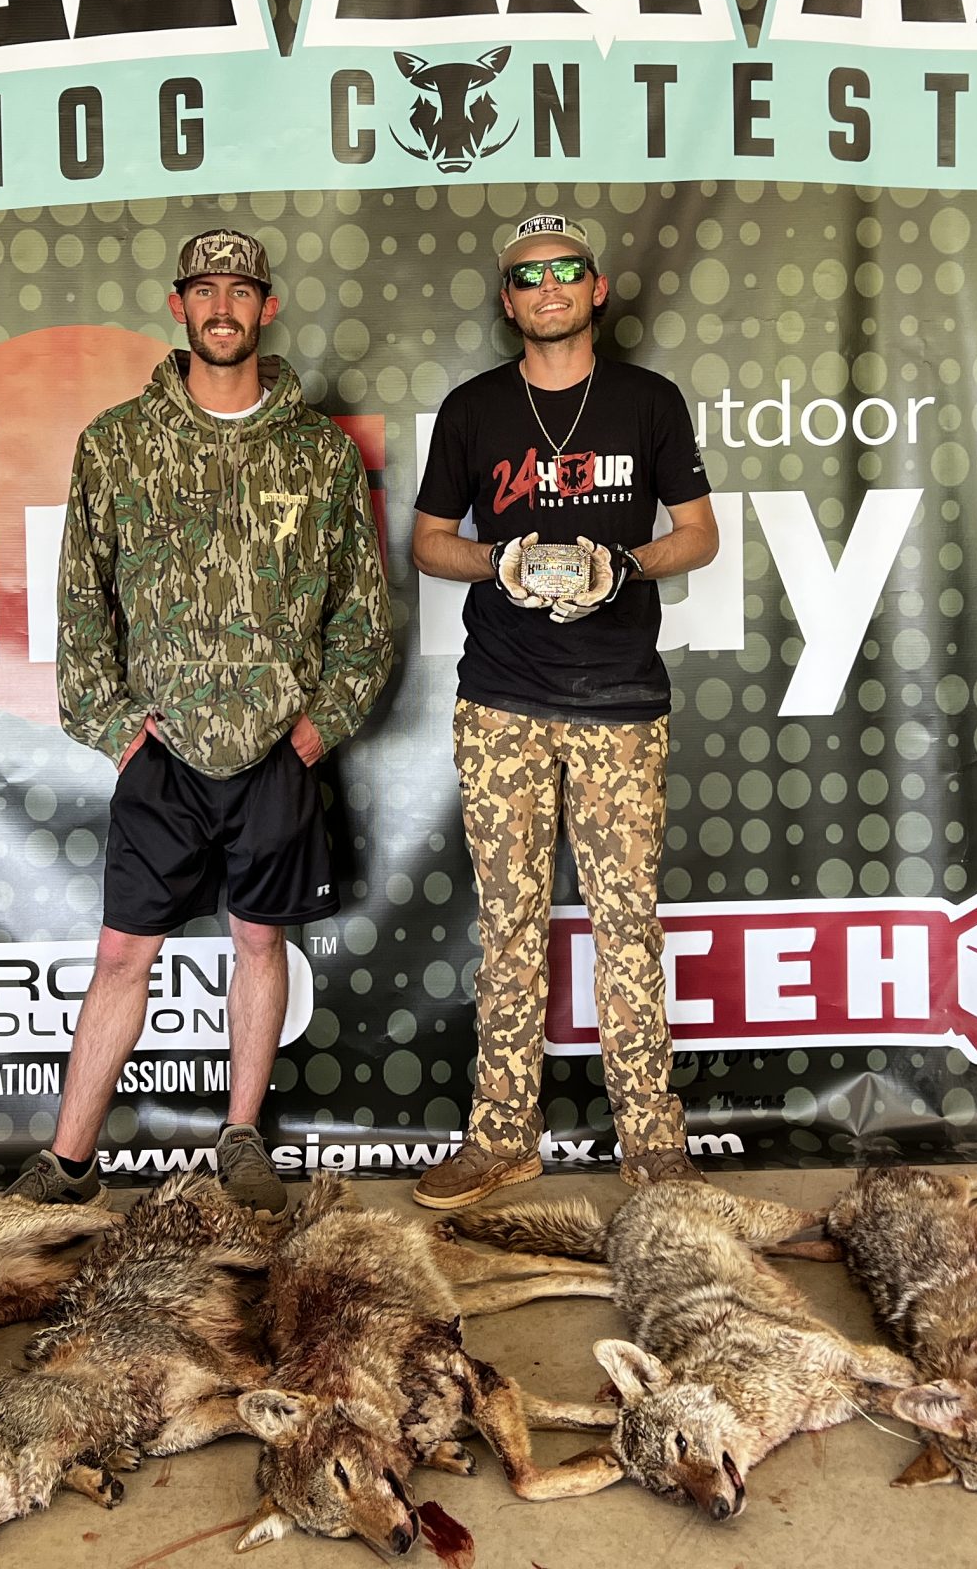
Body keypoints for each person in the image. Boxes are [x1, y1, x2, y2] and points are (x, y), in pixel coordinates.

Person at [5, 228, 393, 1214]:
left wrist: (318, 728)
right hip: (162, 749)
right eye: (205, 290)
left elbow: (362, 617)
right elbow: (80, 602)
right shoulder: (117, 444)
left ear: (267, 307)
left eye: (241, 290)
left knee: (259, 943)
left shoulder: (319, 454)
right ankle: (69, 1159)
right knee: (120, 956)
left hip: (277, 749)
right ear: (178, 306)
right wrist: (115, 729)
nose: (224, 306)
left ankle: (242, 1135)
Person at [405, 213, 720, 1210]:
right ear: (508, 300)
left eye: (566, 270)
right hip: (502, 699)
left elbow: (699, 534)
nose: (548, 287)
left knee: (627, 924)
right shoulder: (473, 410)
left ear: (597, 287)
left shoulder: (648, 401)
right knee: (508, 925)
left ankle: (653, 1144)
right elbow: (427, 542)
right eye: (528, 275)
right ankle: (501, 1137)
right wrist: (496, 560)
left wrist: (623, 563)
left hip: (620, 702)